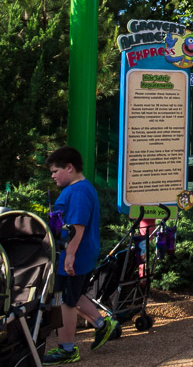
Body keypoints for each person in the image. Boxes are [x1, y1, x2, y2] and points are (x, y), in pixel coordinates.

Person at [44, 147, 116, 364]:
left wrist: (69, 255)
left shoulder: (77, 192)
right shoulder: (80, 189)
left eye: (56, 171)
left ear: (69, 167)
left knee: (67, 300)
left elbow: (77, 227)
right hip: (78, 252)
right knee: (73, 295)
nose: (53, 176)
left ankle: (67, 349)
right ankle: (102, 324)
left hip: (75, 253)